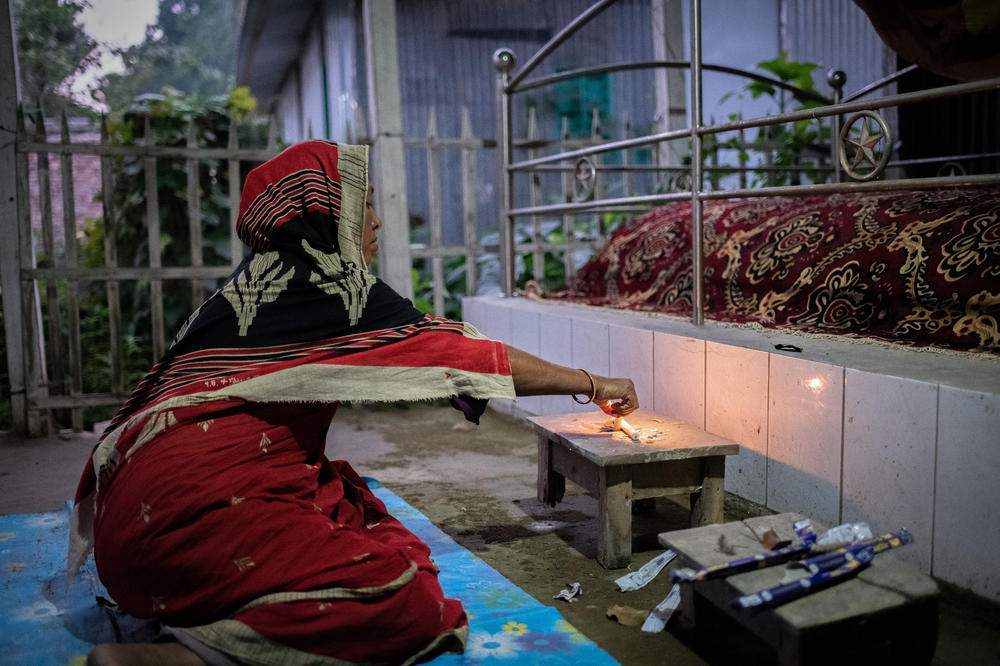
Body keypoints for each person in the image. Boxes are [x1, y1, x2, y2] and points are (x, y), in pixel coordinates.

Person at [73, 140, 637, 666]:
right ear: (323, 215)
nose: (377, 221)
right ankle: (178, 657)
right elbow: (459, 355)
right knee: (402, 597)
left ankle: (200, 611)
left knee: (339, 491)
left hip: (124, 527)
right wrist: (592, 382)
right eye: (361, 205)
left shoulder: (238, 294)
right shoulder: (332, 287)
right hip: (179, 528)